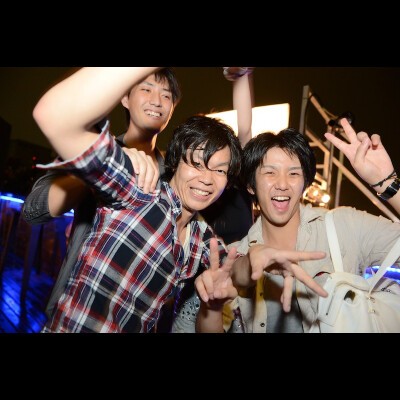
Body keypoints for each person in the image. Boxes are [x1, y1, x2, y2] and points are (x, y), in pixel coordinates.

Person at [32, 66, 249, 333]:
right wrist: (109, 168)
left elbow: (232, 266)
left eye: (220, 171)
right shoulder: (140, 187)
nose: (207, 178)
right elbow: (54, 118)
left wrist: (256, 261)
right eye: (196, 164)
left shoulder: (198, 235)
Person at [176, 118, 400, 333]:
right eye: (270, 172)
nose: (282, 184)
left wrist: (387, 183)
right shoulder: (235, 257)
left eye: (293, 173)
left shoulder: (343, 226)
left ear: (305, 182)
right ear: (251, 185)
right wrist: (212, 307)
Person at [22, 68, 181, 322]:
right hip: (73, 312)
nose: (156, 101)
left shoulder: (172, 178)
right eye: (146, 89)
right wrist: (102, 166)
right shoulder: (88, 147)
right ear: (124, 98)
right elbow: (33, 210)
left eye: (166, 95)